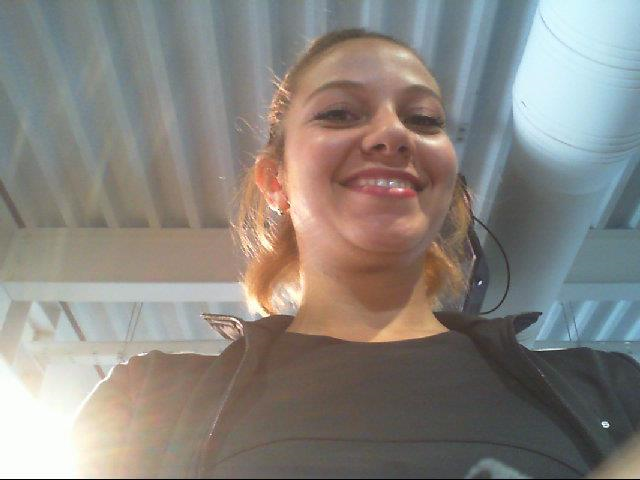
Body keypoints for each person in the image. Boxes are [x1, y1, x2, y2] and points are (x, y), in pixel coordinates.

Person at [72, 28, 640, 478]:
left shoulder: (611, 390)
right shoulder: (147, 402)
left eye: (424, 119)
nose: (395, 134)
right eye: (339, 112)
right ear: (275, 180)